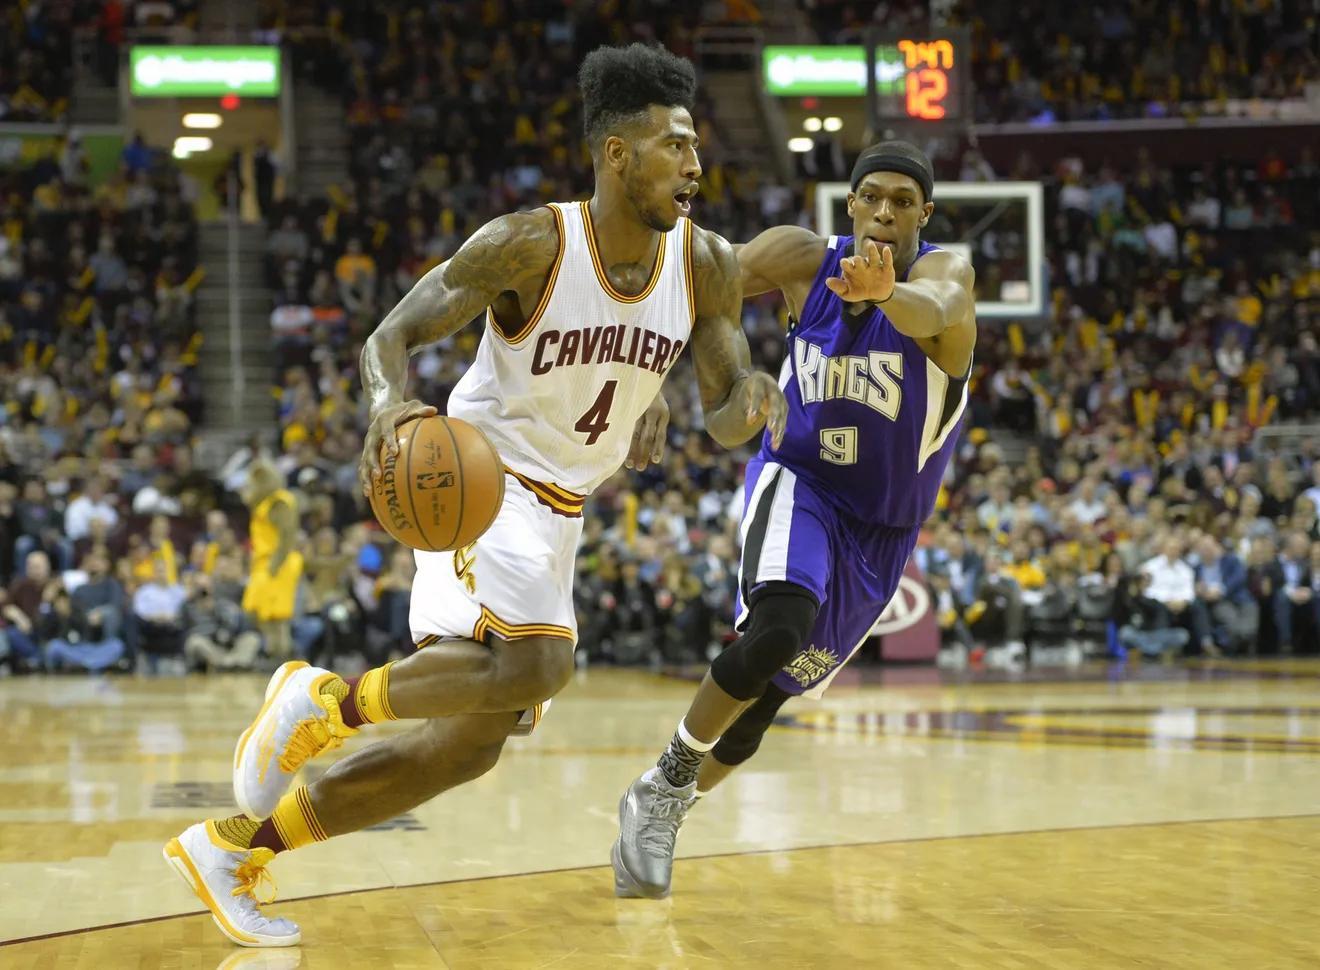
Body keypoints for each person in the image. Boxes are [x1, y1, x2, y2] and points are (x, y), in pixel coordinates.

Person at [164, 42, 787, 948]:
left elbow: (726, 415)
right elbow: (390, 337)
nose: (696, 164)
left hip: (564, 508)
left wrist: (753, 397)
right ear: (618, 154)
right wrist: (387, 405)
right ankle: (322, 704)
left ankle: (233, 850)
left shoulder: (707, 265)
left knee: (469, 746)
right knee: (542, 665)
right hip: (480, 481)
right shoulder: (531, 244)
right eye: (675, 145)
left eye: (696, 146)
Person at [611, 140, 977, 899]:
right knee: (779, 626)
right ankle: (667, 783)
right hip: (800, 479)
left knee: (763, 704)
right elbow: (693, 286)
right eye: (871, 196)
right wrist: (647, 382)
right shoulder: (803, 258)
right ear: (851, 204)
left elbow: (936, 308)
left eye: (903, 201)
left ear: (925, 214)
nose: (884, 211)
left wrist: (886, 294)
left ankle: (664, 806)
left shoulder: (947, 277)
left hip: (882, 531)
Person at [238, 459, 303, 660]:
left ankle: (282, 657)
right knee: (258, 611)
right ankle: (274, 652)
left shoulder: (279, 502)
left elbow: (287, 535)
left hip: (278, 563)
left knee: (277, 617)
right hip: (264, 564)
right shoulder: (264, 503)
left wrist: (276, 563)